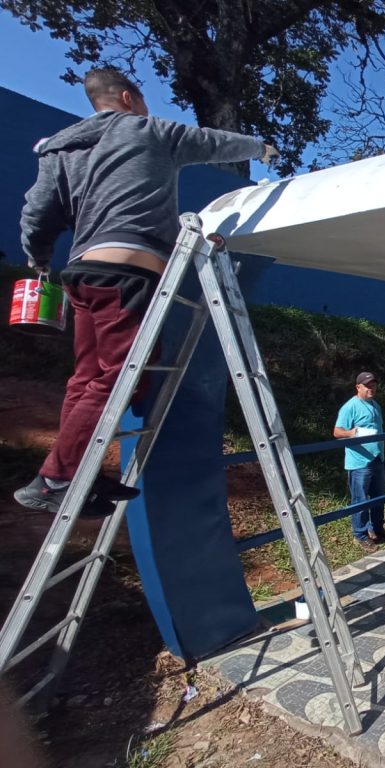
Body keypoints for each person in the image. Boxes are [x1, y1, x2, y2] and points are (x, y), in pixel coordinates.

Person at [14, 67, 277, 517]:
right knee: (119, 378)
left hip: (83, 273)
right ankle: (56, 478)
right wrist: (261, 147)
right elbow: (214, 142)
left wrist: (38, 258)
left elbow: (38, 212)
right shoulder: (148, 130)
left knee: (86, 378)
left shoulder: (61, 148)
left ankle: (76, 472)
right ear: (127, 97)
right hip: (129, 275)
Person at [333, 372, 385, 553]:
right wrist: (350, 434)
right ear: (358, 387)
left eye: (373, 385)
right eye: (367, 385)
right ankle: (360, 535)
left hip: (377, 459)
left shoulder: (375, 405)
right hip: (359, 462)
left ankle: (377, 528)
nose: (371, 388)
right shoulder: (350, 407)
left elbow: (379, 432)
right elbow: (337, 432)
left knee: (379, 497)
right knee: (360, 500)